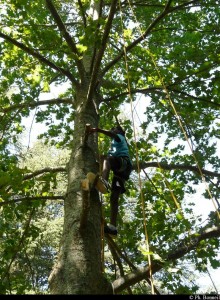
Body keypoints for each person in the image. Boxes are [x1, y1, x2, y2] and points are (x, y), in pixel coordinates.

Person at [89, 124, 132, 237]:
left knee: (107, 160)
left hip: (123, 163)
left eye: (115, 129)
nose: (112, 130)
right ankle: (113, 227)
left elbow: (113, 135)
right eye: (112, 129)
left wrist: (98, 129)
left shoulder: (120, 137)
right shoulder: (116, 146)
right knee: (114, 197)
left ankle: (104, 181)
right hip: (122, 171)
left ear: (120, 132)